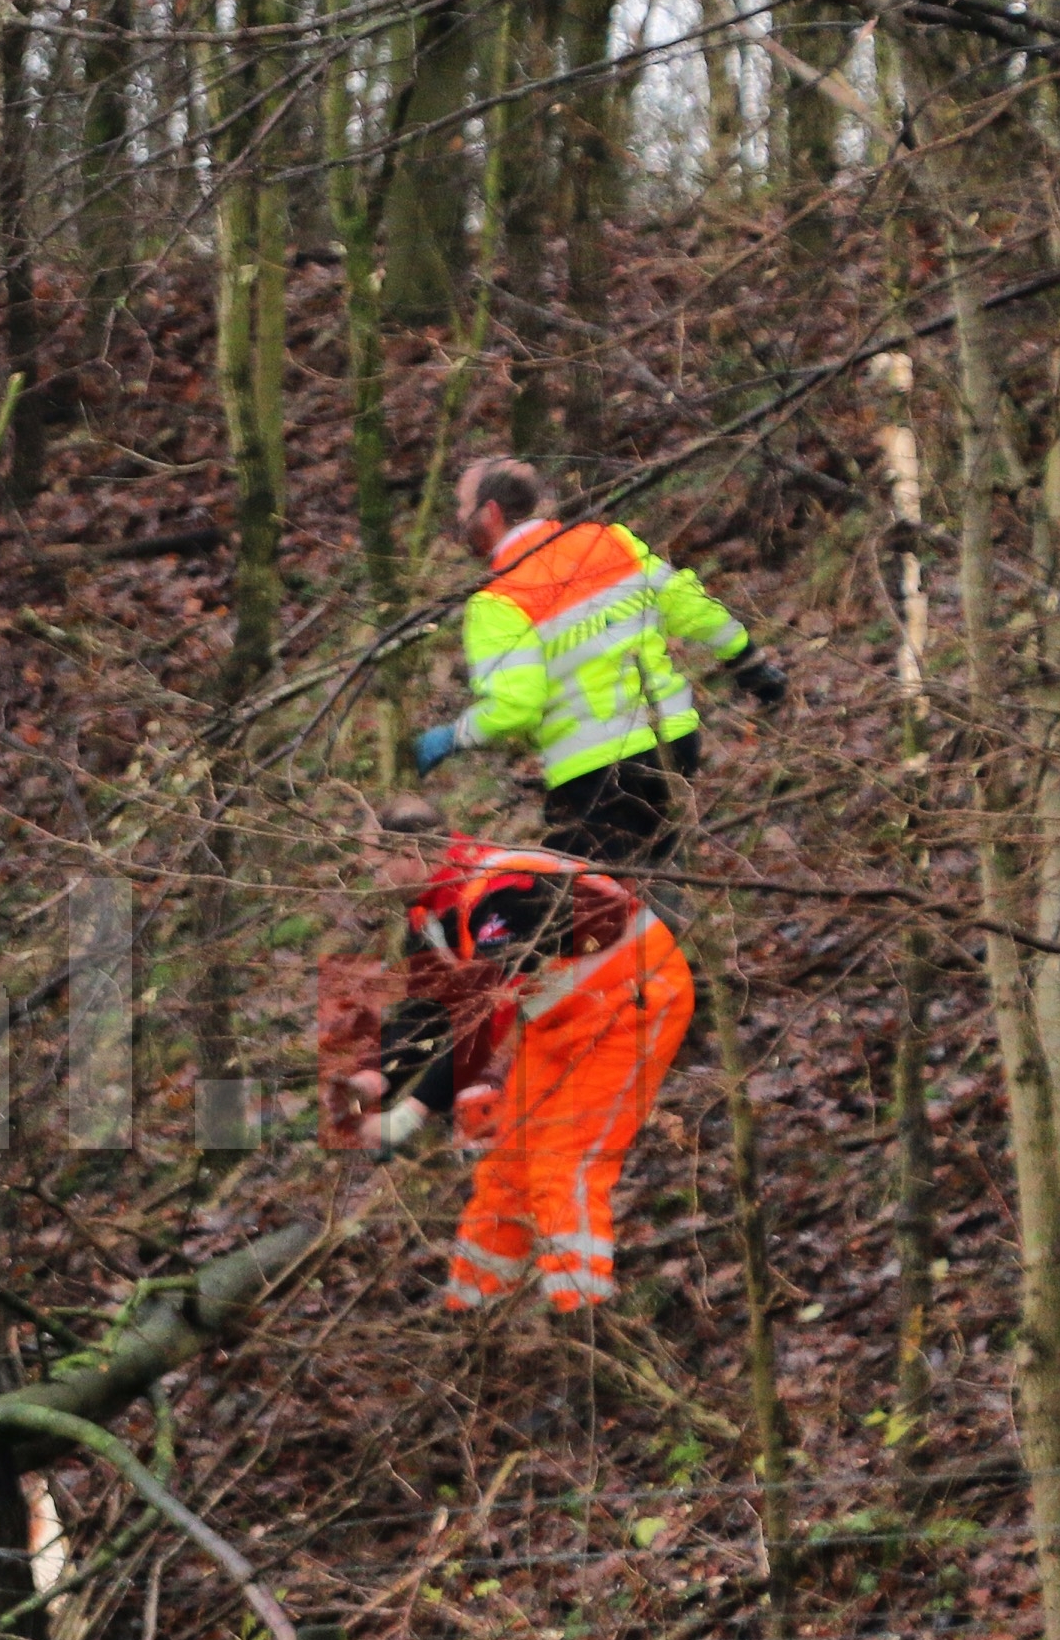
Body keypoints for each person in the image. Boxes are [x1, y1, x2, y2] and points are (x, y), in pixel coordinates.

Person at [338, 797, 694, 1313]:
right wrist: (379, 1076)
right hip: (559, 1022)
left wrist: (413, 1113)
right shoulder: (434, 910)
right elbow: (429, 1006)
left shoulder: (501, 891)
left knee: (563, 1164)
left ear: (411, 854)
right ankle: (471, 1311)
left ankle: (585, 1313)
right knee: (505, 1170)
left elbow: (486, 1013)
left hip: (632, 1005)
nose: (370, 879)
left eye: (374, 863)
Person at [405, 456, 788, 865]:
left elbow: (517, 707)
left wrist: (455, 735)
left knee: (599, 903)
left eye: (463, 507)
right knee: (658, 869)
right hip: (673, 739)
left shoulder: (499, 599)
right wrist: (749, 664)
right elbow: (695, 609)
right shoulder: (609, 542)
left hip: (596, 770)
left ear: (492, 512)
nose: (459, 518)